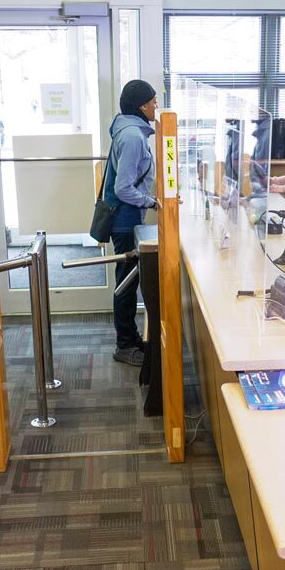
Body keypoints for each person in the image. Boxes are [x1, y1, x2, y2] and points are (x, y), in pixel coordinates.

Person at [103, 79, 160, 367]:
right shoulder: (133, 137)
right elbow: (125, 187)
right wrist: (151, 202)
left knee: (129, 279)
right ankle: (124, 345)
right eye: (152, 102)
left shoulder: (131, 130)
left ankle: (130, 337)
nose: (156, 106)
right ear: (141, 106)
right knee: (126, 283)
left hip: (128, 217)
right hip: (125, 220)